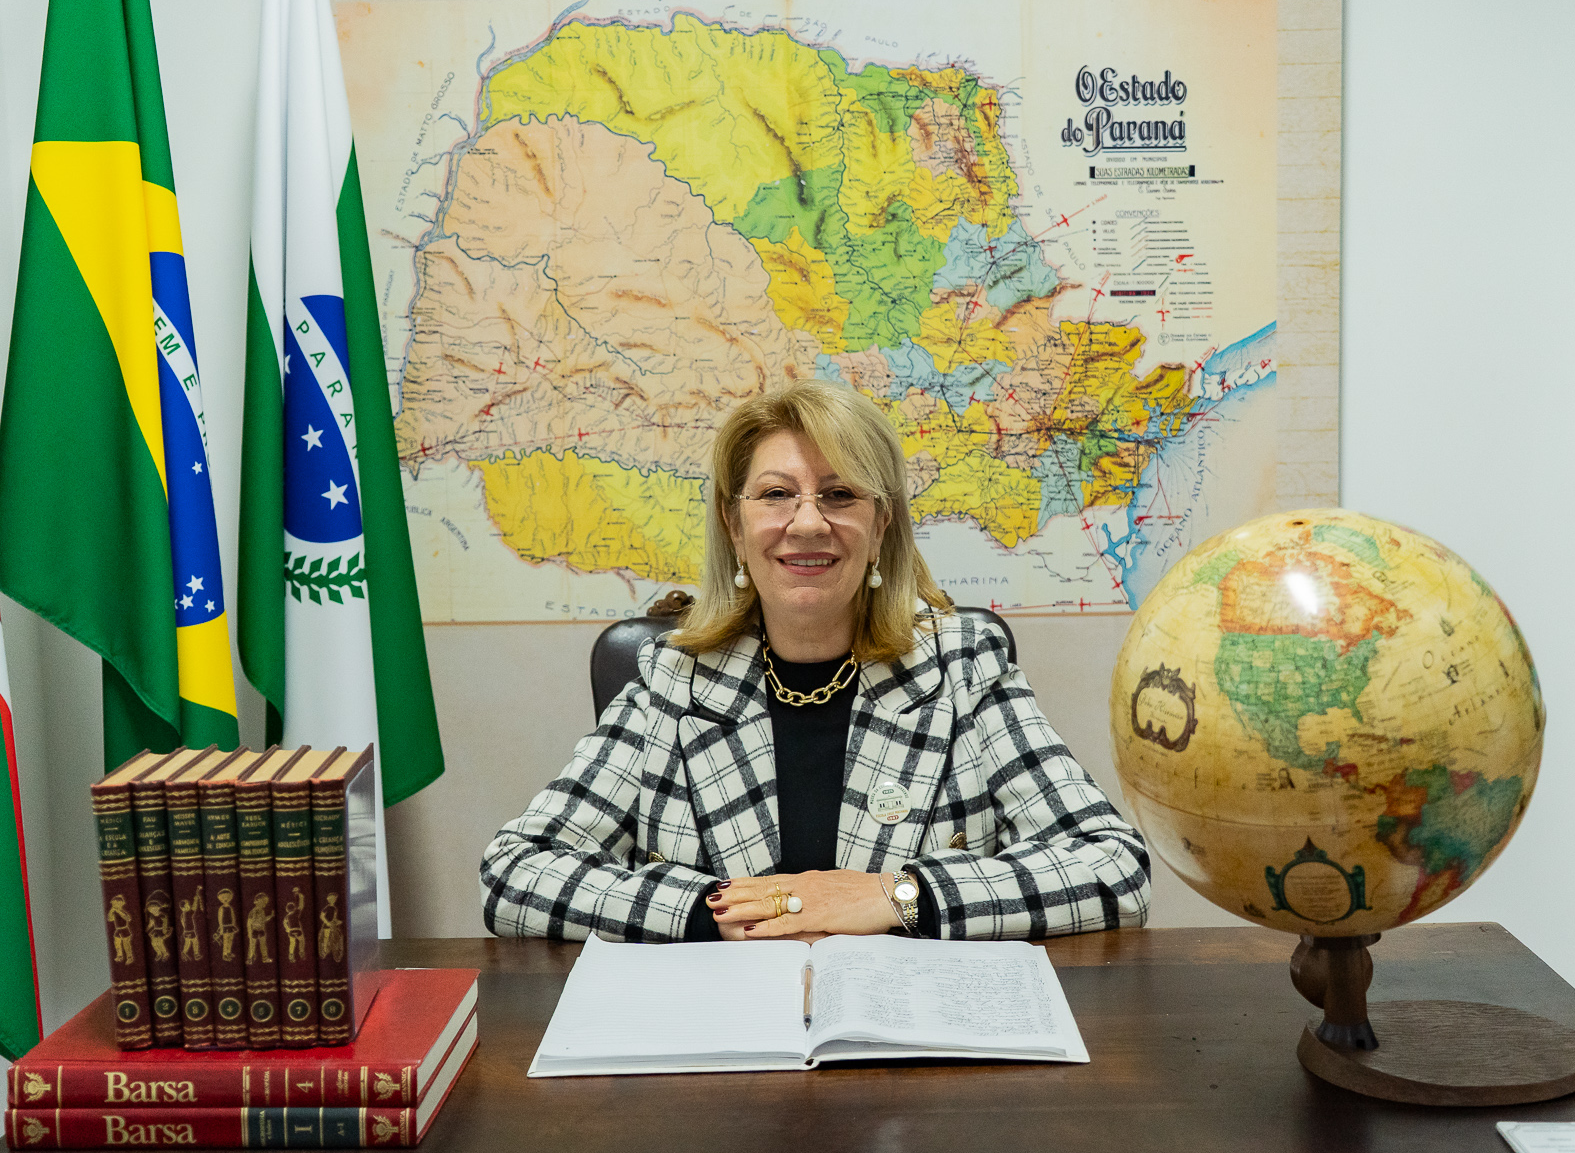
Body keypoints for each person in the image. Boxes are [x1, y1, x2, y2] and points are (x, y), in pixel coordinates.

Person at [480, 379, 1150, 942]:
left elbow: (1112, 865)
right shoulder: (672, 682)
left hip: (915, 1053)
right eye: (775, 495)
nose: (806, 523)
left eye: (839, 494)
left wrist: (898, 896)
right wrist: (710, 912)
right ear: (734, 525)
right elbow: (516, 870)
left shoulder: (964, 667)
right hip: (722, 1051)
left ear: (881, 522)